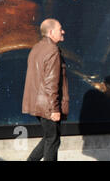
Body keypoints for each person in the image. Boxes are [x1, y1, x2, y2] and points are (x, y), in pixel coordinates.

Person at [22, 18, 69, 161]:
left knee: (50, 138)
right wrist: (54, 109)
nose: (63, 31)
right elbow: (51, 83)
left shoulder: (36, 48)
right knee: (52, 140)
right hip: (48, 105)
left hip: (39, 104)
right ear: (50, 32)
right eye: (60, 29)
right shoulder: (53, 50)